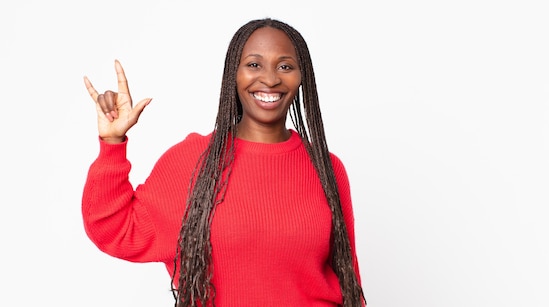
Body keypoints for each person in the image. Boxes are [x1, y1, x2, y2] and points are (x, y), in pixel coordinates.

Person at [82, 18, 365, 307]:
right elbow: (114, 228)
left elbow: (348, 277)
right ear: (234, 74)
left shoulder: (326, 167)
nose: (270, 79)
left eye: (285, 66)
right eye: (254, 65)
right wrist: (112, 144)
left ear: (301, 76)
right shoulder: (192, 160)